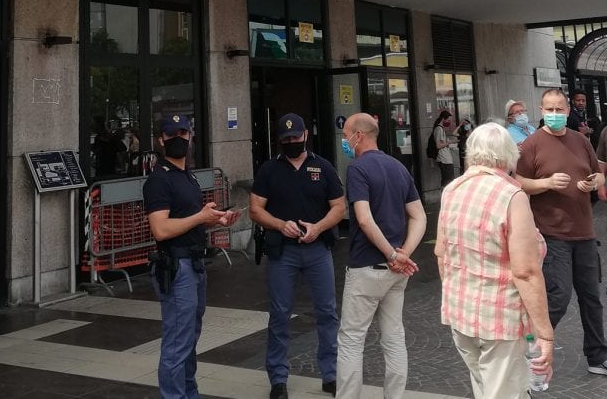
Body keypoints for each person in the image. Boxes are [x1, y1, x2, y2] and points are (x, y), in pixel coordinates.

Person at [435, 122, 554, 398]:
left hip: (461, 315)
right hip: (501, 320)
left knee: (485, 389)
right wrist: (545, 333)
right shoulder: (511, 195)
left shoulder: (452, 189)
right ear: (509, 155)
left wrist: (457, 295)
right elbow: (525, 272)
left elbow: (441, 253)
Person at [143, 114, 242, 398]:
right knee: (178, 341)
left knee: (189, 337)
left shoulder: (188, 175)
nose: (179, 138)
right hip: (177, 266)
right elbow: (160, 229)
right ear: (161, 140)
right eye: (172, 134)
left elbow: (188, 220)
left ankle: (189, 392)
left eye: (183, 133)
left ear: (191, 137)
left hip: (194, 263)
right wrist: (200, 216)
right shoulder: (159, 180)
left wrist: (215, 219)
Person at [249, 112, 344, 399]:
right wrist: (280, 225)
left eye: (296, 136)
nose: (292, 141)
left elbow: (339, 206)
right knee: (279, 314)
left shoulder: (323, 167)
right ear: (280, 140)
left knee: (327, 312)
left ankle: (331, 375)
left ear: (305, 135)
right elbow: (255, 209)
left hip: (317, 249)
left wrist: (319, 228)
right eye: (286, 138)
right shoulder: (269, 170)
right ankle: (278, 379)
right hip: (283, 252)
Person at [515, 88, 607, 376]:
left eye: (559, 109)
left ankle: (597, 356)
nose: (555, 114)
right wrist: (545, 183)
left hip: (585, 232)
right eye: (549, 110)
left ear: (567, 111)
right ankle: (531, 351)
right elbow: (517, 182)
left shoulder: (580, 140)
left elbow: (598, 172)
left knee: (592, 298)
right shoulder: (532, 144)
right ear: (541, 111)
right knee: (558, 297)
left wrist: (594, 182)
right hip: (551, 234)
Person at [336, 113, 426, 399]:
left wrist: (392, 254)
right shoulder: (398, 167)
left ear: (358, 136)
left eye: (345, 135)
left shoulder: (357, 169)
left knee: (351, 339)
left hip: (366, 266)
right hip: (396, 272)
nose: (344, 141)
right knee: (394, 336)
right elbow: (419, 216)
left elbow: (364, 219)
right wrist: (404, 253)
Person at [433, 111, 454, 187]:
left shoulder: (441, 129)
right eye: (448, 120)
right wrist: (448, 142)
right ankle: (445, 193)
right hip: (444, 159)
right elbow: (438, 145)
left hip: (446, 158)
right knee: (448, 180)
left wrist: (447, 142)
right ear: (443, 119)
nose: (449, 122)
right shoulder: (439, 129)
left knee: (447, 180)